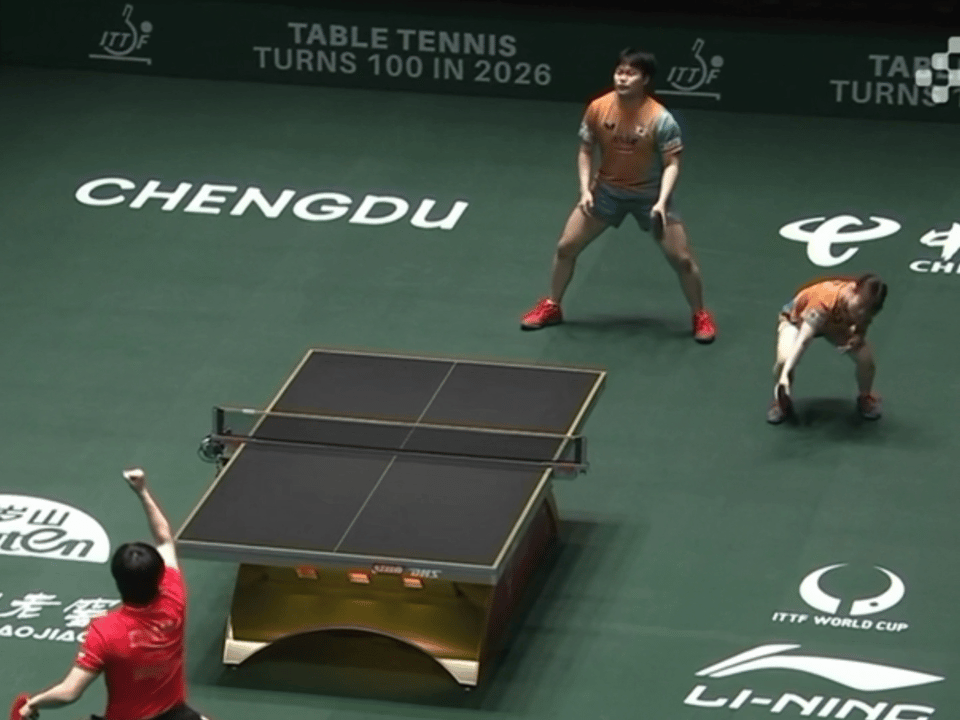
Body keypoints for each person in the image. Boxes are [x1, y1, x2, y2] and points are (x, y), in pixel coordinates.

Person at [519, 47, 716, 343]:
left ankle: (700, 314)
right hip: (606, 192)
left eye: (631, 73)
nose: (622, 78)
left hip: (650, 196)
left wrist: (662, 202)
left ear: (644, 79)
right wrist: (585, 190)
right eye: (619, 72)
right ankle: (552, 305)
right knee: (566, 247)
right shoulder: (598, 108)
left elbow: (672, 164)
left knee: (683, 259)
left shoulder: (660, 119)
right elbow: (586, 150)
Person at [19, 469, 207, 720]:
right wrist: (142, 491)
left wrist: (33, 703)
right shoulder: (174, 596)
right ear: (160, 576)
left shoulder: (104, 632)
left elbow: (69, 693)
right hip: (172, 714)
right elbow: (164, 540)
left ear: (118, 580)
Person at [768, 273, 888, 424]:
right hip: (797, 321)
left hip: (834, 324)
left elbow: (864, 321)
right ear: (853, 291)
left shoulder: (866, 304)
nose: (862, 314)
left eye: (868, 311)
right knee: (784, 360)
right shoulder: (823, 302)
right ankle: (781, 400)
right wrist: (786, 374)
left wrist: (858, 336)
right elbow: (803, 341)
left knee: (865, 359)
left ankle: (865, 397)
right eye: (860, 307)